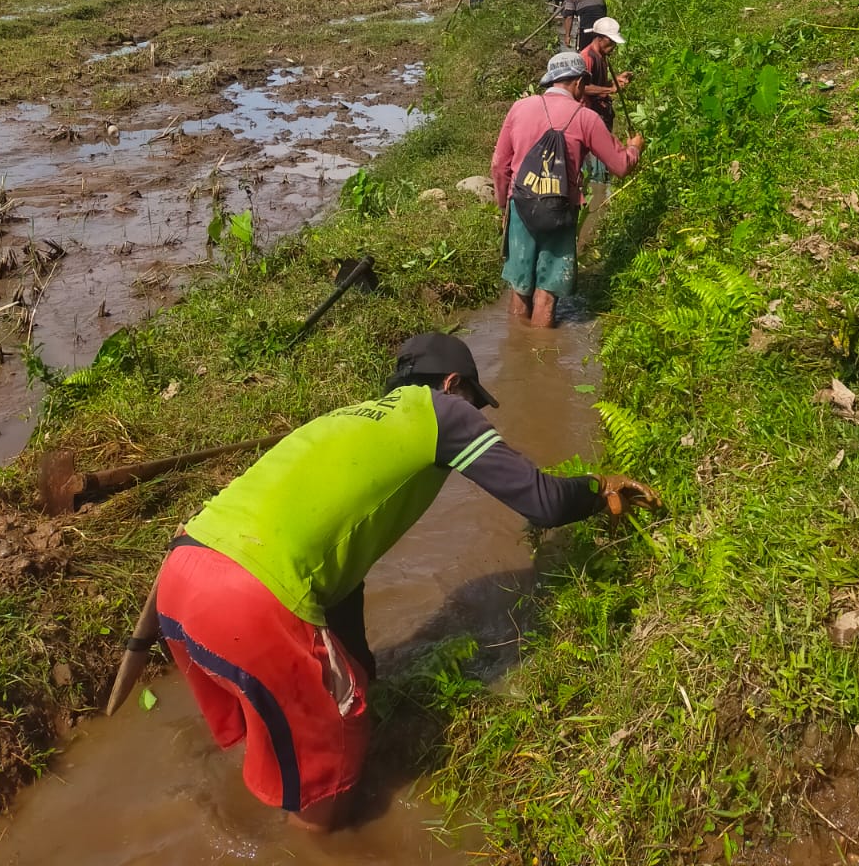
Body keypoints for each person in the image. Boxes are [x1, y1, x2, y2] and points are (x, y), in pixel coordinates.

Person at [154, 333, 656, 832]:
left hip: (181, 577)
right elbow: (542, 502)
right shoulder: (444, 412)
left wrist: (362, 671)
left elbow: (339, 568)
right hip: (248, 600)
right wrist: (598, 488)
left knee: (280, 729)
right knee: (329, 772)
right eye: (474, 402)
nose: (477, 415)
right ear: (452, 384)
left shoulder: (347, 421)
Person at [492, 52, 643, 326]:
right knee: (546, 296)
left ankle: (517, 355)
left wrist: (505, 205)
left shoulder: (519, 108)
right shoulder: (586, 118)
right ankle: (542, 359)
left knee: (520, 286)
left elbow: (499, 165)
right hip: (560, 209)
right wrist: (634, 148)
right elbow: (620, 166)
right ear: (577, 83)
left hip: (521, 206)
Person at [578, 17, 631, 133]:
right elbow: (582, 87)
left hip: (600, 111)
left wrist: (616, 80)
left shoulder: (601, 56)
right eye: (611, 41)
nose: (613, 46)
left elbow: (597, 84)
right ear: (600, 38)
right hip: (588, 114)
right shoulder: (587, 57)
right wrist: (610, 89)